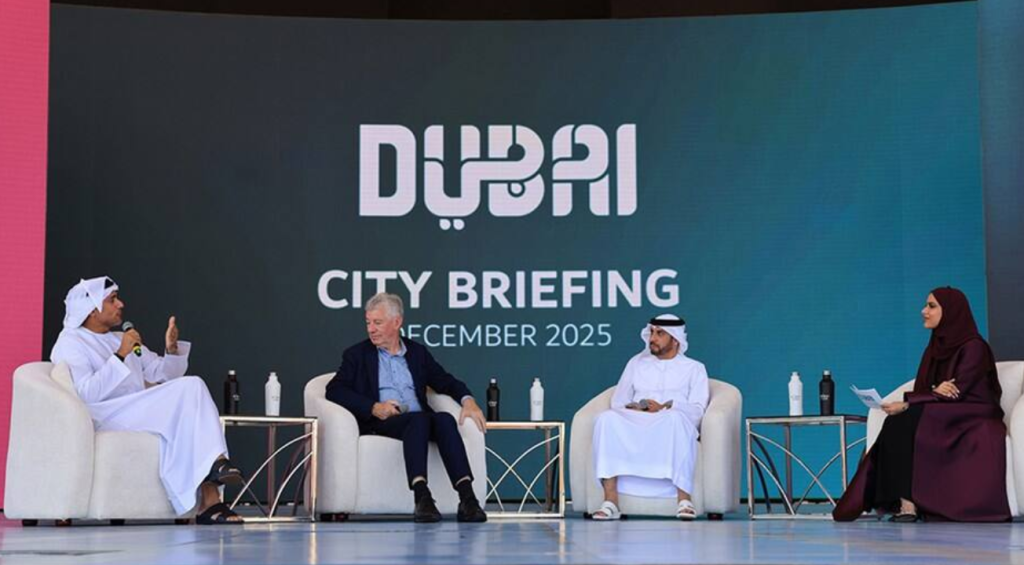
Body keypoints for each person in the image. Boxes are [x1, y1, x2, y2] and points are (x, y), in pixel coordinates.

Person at [50, 276, 244, 524]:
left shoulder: (118, 338)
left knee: (191, 390)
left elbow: (164, 374)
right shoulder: (70, 342)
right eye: (112, 300)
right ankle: (214, 478)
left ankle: (212, 496)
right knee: (191, 390)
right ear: (91, 310)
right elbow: (86, 394)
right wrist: (120, 355)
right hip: (103, 414)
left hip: (134, 409)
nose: (121, 304)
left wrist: (171, 350)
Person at [834, 287, 1010, 522]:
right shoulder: (934, 348)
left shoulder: (974, 347)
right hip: (942, 409)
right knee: (898, 421)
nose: (924, 311)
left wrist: (914, 401)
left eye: (932, 306)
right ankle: (906, 503)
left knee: (906, 419)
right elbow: (927, 389)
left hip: (971, 412)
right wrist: (929, 394)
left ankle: (908, 503)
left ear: (951, 311)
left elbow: (958, 391)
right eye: (926, 305)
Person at [325, 292, 488, 523]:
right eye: (368, 323)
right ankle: (422, 497)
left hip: (419, 419)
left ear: (397, 322)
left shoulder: (417, 352)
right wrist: (373, 407)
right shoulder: (357, 355)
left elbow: (444, 380)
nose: (371, 329)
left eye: (377, 323)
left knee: (444, 419)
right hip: (384, 421)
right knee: (418, 419)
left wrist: (468, 400)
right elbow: (334, 390)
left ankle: (467, 499)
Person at [590, 314, 710, 521]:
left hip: (669, 420)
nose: (652, 338)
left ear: (675, 339)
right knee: (606, 419)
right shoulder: (636, 363)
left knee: (675, 419)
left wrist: (665, 407)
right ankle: (610, 501)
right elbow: (618, 401)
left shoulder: (694, 368)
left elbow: (698, 410)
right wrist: (636, 408)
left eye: (660, 333)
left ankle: (684, 500)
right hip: (637, 420)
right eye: (652, 332)